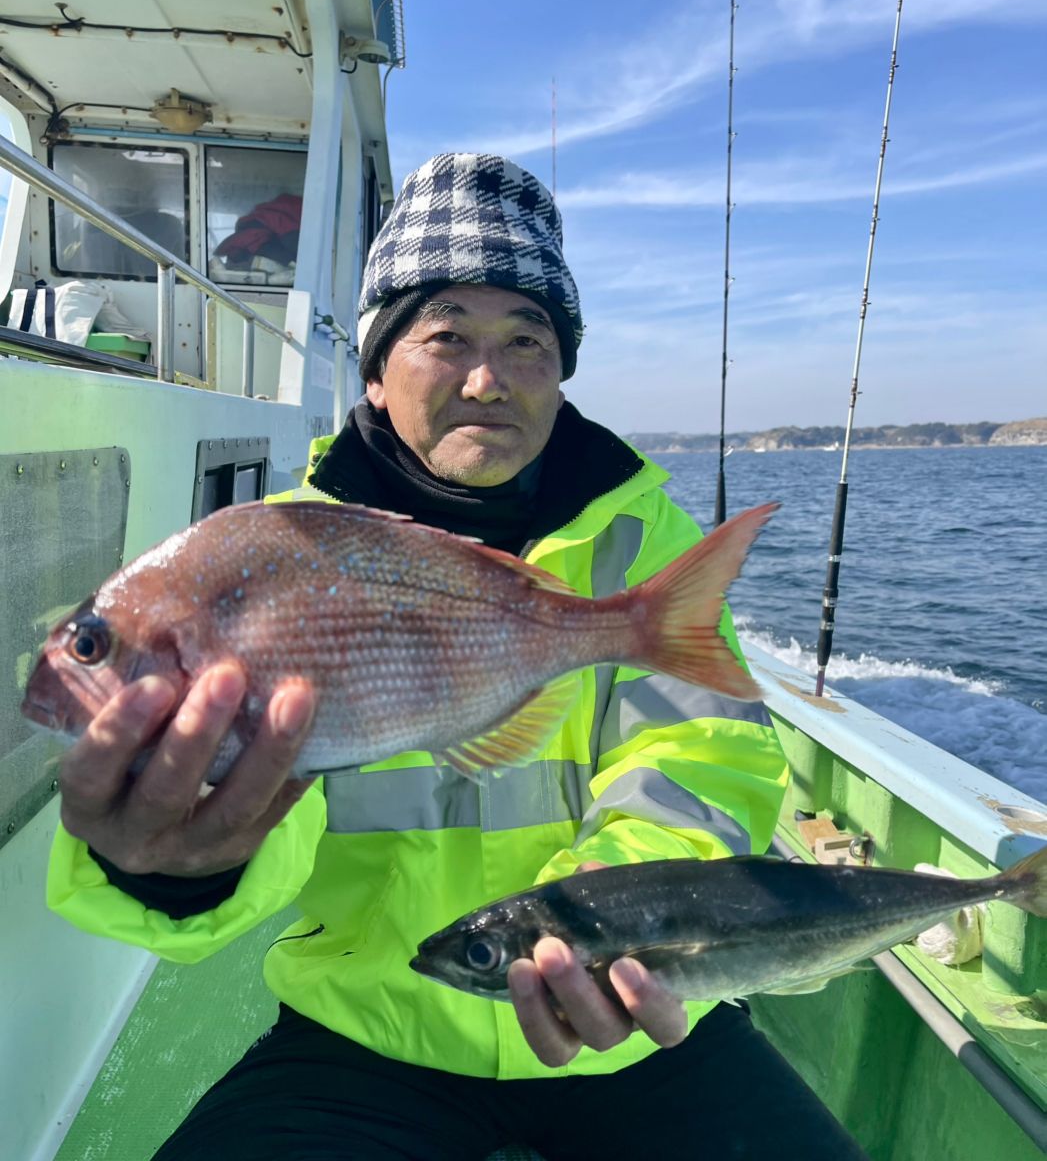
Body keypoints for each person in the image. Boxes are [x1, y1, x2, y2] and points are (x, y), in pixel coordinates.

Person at [48, 154, 869, 1160]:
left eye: (527, 340)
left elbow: (705, 754)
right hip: (369, 1029)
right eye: (447, 336)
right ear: (377, 364)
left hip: (629, 1019)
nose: (489, 377)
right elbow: (270, 826)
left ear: (561, 367)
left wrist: (595, 928)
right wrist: (182, 871)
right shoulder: (277, 547)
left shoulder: (638, 536)